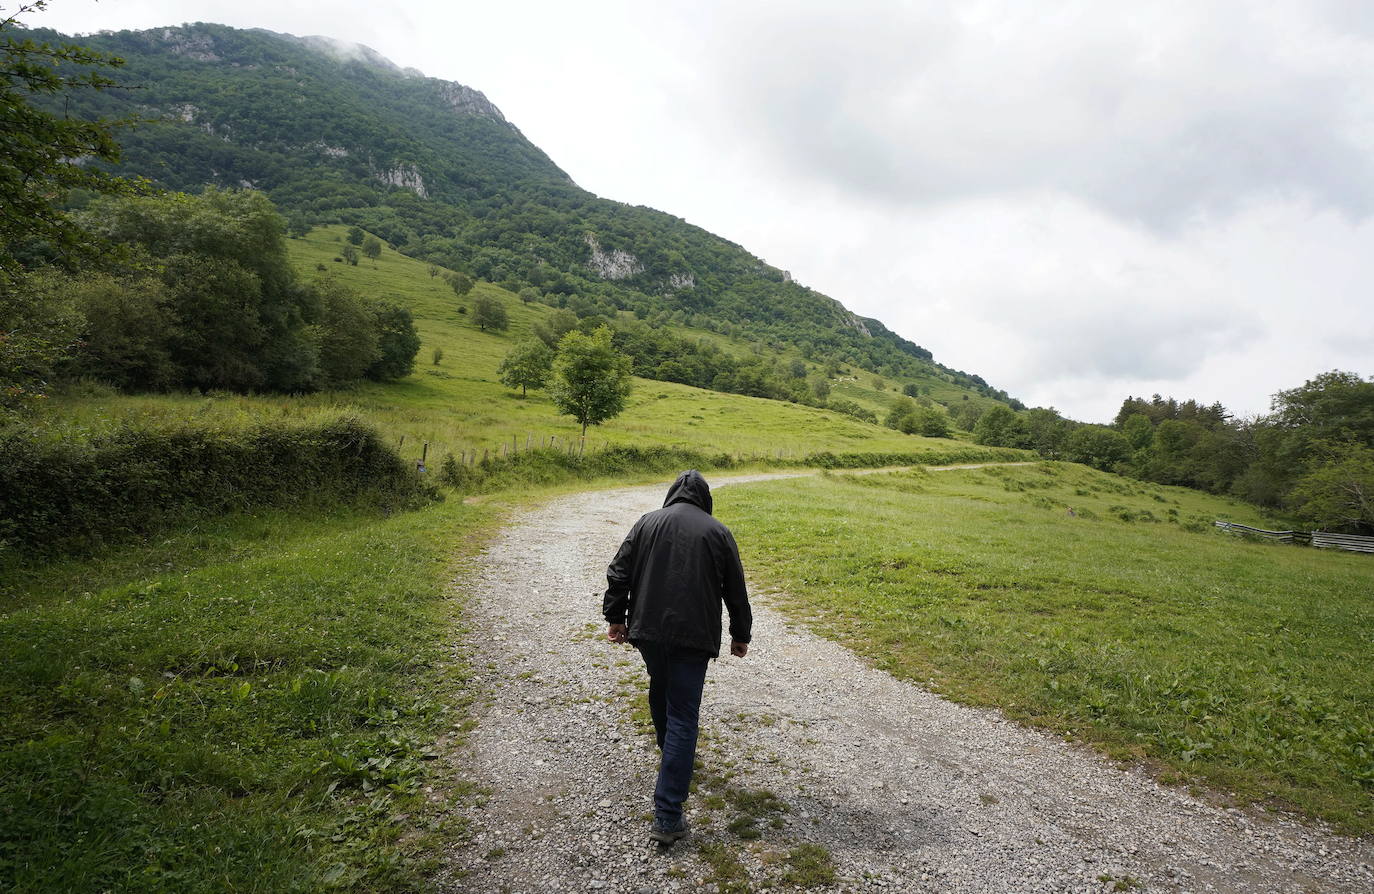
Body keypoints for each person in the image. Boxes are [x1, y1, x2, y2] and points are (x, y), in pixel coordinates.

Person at [603, 469, 752, 845]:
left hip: (648, 632)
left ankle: (672, 756)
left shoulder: (646, 523)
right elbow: (736, 589)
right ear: (705, 498)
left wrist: (616, 619)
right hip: (693, 637)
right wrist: (740, 634)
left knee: (661, 688)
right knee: (683, 713)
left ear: (672, 494)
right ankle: (668, 815)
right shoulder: (718, 532)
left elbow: (618, 573)